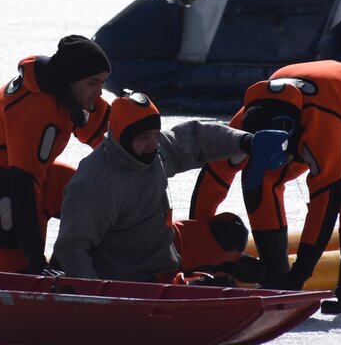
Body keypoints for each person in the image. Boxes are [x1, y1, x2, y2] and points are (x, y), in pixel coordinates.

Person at [189, 59, 341, 313]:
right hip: (318, 90)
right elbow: (213, 178)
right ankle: (275, 271)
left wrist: (300, 273)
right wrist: (201, 250)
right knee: (261, 177)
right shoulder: (241, 126)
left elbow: (325, 199)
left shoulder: (320, 127)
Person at [52, 89, 289, 284]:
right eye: (143, 137)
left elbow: (196, 139)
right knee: (215, 287)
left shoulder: (155, 152)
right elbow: (71, 248)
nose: (152, 144)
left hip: (163, 260)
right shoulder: (95, 182)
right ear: (120, 136)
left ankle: (221, 266)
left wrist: (247, 141)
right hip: (127, 280)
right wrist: (98, 296)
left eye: (155, 134)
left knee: (230, 234)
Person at [0, 35, 112, 274]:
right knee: (15, 256)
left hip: (33, 177)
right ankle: (2, 267)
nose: (99, 92)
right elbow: (24, 185)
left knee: (93, 198)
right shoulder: (35, 108)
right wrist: (35, 261)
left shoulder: (73, 93)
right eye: (93, 83)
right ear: (71, 78)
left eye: (102, 83)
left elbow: (114, 137)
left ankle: (74, 262)